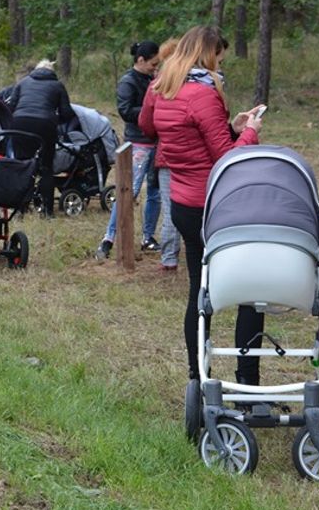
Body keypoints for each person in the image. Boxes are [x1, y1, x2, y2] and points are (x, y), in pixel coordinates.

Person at [139, 26, 262, 382]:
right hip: (218, 206)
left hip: (183, 204)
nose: (219, 67)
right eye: (218, 60)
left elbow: (149, 126)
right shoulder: (203, 95)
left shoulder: (161, 88)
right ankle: (248, 382)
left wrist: (231, 126)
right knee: (250, 293)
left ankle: (198, 375)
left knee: (199, 289)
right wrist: (251, 131)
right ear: (207, 56)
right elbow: (225, 157)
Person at [96, 41, 163, 260]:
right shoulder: (128, 82)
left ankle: (148, 237)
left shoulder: (155, 79)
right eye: (153, 63)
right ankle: (109, 238)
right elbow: (125, 110)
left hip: (157, 142)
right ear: (140, 60)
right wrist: (152, 109)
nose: (156, 67)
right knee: (129, 191)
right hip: (139, 144)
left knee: (155, 191)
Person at [7, 59, 74, 218]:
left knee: (23, 165)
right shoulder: (57, 85)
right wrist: (56, 122)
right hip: (45, 125)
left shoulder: (23, 82)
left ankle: (20, 209)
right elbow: (67, 112)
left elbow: (10, 106)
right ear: (52, 72)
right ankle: (47, 211)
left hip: (20, 122)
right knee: (46, 168)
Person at [153, 37, 182, 271]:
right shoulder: (200, 81)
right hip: (195, 157)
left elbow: (146, 119)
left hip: (166, 154)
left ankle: (169, 258)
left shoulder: (158, 83)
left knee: (170, 209)